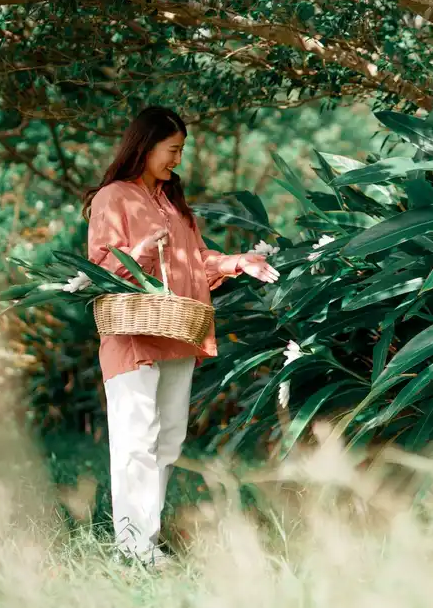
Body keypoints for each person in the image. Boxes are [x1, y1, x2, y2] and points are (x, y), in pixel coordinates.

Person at [83, 106, 279, 567]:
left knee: (169, 439)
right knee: (136, 440)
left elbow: (194, 261)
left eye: (181, 151)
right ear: (145, 146)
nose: (177, 160)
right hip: (134, 334)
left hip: (177, 329)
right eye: (172, 150)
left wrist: (237, 262)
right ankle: (134, 547)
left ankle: (146, 539)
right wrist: (140, 251)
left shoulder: (173, 203)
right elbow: (101, 267)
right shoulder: (114, 197)